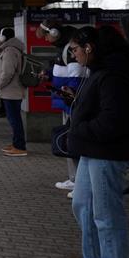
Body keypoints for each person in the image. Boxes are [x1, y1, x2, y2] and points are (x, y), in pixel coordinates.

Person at [64, 26, 129, 258]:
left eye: (75, 49)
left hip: (108, 152)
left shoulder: (113, 75)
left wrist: (79, 129)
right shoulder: (100, 71)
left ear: (89, 48)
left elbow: (113, 121)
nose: (73, 55)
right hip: (94, 150)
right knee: (83, 205)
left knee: (106, 212)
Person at [41, 19, 86, 193]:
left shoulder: (70, 50)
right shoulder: (64, 49)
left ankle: (78, 181)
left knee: (73, 139)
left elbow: (76, 77)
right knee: (71, 138)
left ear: (54, 33)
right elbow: (63, 73)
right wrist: (49, 76)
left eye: (46, 36)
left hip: (72, 103)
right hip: (67, 101)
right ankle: (75, 179)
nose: (45, 40)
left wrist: (70, 96)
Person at [0, 27, 27, 156]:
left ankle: (20, 146)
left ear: (3, 38)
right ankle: (16, 143)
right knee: (14, 118)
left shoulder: (9, 51)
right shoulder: (11, 50)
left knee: (14, 119)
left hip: (11, 91)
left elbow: (8, 72)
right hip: (11, 91)